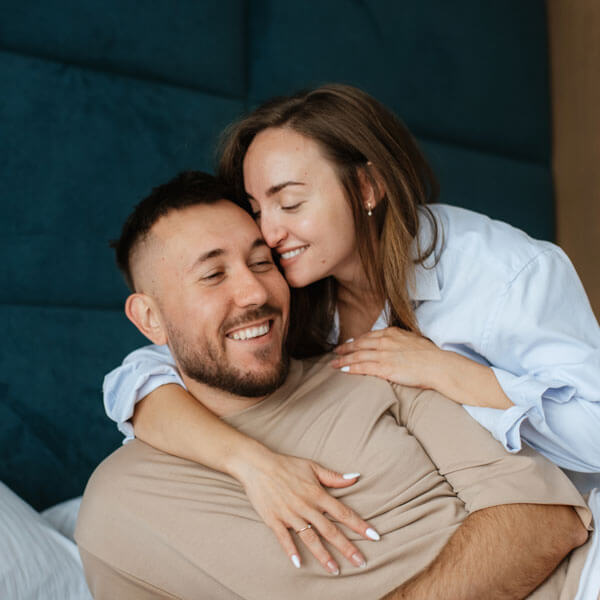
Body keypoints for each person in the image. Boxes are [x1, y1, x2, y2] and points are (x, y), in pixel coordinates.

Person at [103, 84, 600, 571]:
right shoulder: (291, 282)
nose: (270, 234)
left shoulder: (504, 272)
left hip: (571, 532)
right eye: (258, 210)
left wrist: (450, 373)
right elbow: (150, 370)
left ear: (366, 187)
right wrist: (249, 462)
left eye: (291, 203)